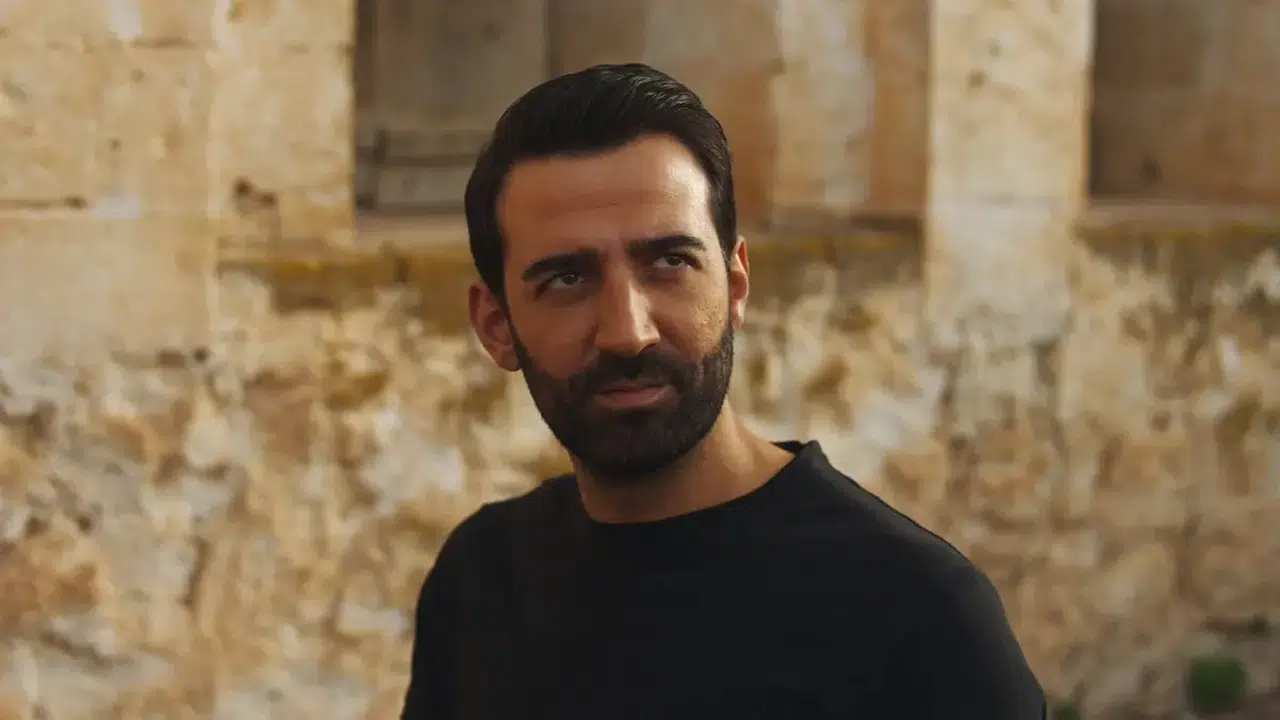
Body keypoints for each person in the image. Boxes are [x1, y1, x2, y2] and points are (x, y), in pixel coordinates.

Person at [400, 63, 1046, 719]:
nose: (629, 333)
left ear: (736, 285)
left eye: (670, 263)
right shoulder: (481, 581)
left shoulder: (921, 620)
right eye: (567, 279)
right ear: (495, 326)